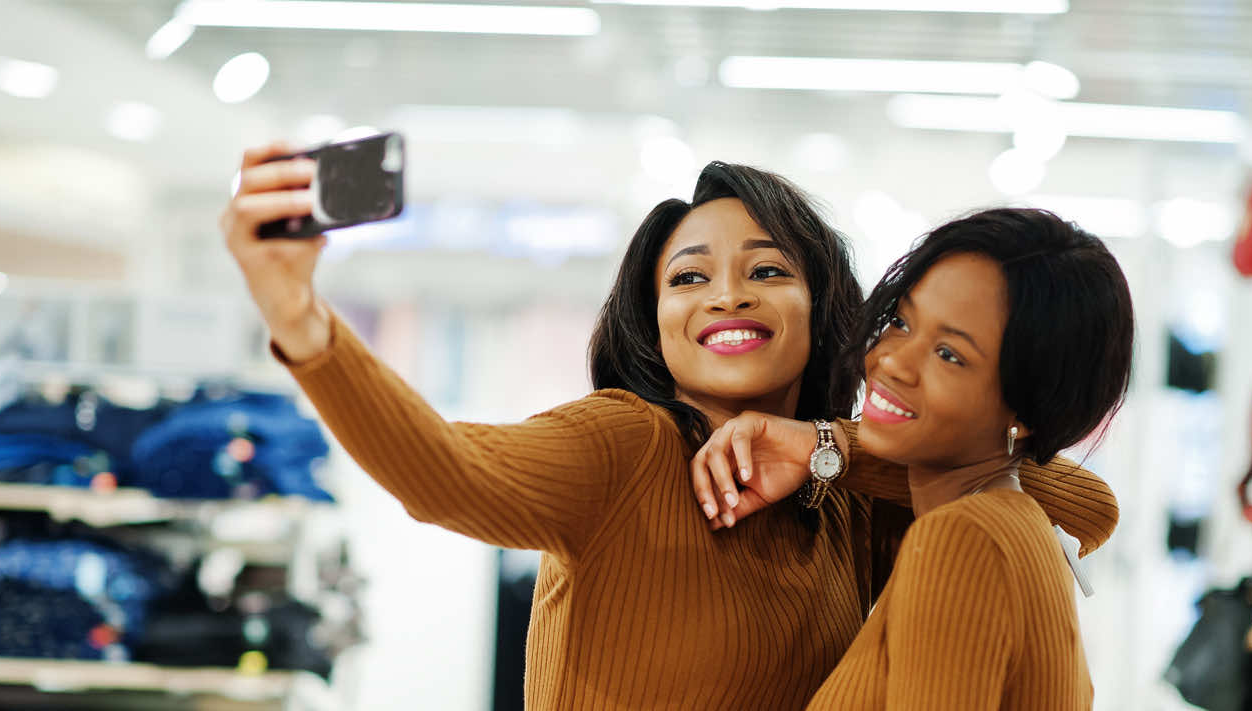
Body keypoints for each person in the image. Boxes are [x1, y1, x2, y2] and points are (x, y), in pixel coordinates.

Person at [222, 144, 1118, 709]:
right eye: (688, 278)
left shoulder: (849, 496)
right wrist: (306, 325)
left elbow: (1081, 505)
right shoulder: (626, 444)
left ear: (824, 306)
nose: (726, 293)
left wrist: (824, 447)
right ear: (652, 321)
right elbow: (446, 471)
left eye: (765, 269)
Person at [691, 207, 1134, 710]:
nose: (892, 360)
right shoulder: (1020, 524)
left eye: (950, 354)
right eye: (901, 321)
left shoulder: (961, 539)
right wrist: (823, 448)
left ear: (1031, 405)